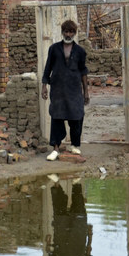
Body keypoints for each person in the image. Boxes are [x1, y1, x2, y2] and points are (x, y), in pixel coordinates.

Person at [41, 19, 89, 161]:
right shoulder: (54, 49)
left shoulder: (80, 51)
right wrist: (44, 86)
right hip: (57, 89)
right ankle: (55, 148)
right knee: (57, 117)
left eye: (71, 32)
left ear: (75, 33)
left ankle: (75, 145)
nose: (68, 34)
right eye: (66, 31)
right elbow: (48, 68)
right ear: (62, 32)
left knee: (77, 116)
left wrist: (86, 91)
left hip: (74, 90)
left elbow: (83, 71)